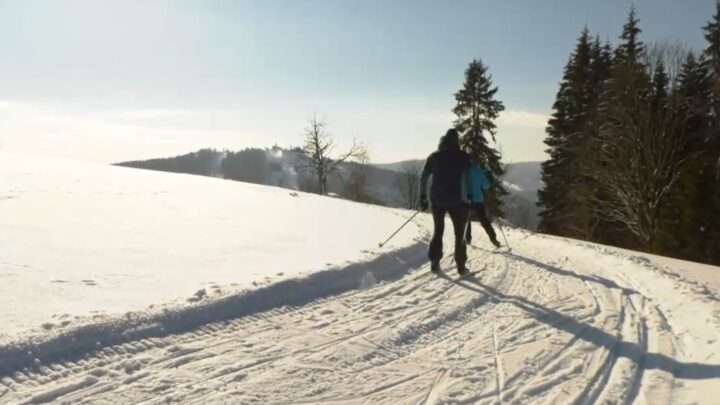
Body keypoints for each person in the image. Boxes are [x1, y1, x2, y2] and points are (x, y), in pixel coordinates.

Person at [419, 129, 472, 275]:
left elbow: (423, 177)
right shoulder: (463, 157)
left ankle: (435, 262)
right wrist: (469, 197)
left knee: (438, 230)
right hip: (457, 200)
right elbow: (467, 179)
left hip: (437, 199)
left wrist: (423, 197)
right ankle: (461, 266)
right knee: (459, 233)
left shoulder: (434, 157)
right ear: (457, 141)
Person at [465, 163, 502, 248]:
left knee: (467, 220)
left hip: (467, 200)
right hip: (478, 200)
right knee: (484, 220)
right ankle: (493, 238)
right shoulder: (479, 171)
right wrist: (486, 175)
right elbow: (486, 186)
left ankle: (467, 239)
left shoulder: (464, 171)